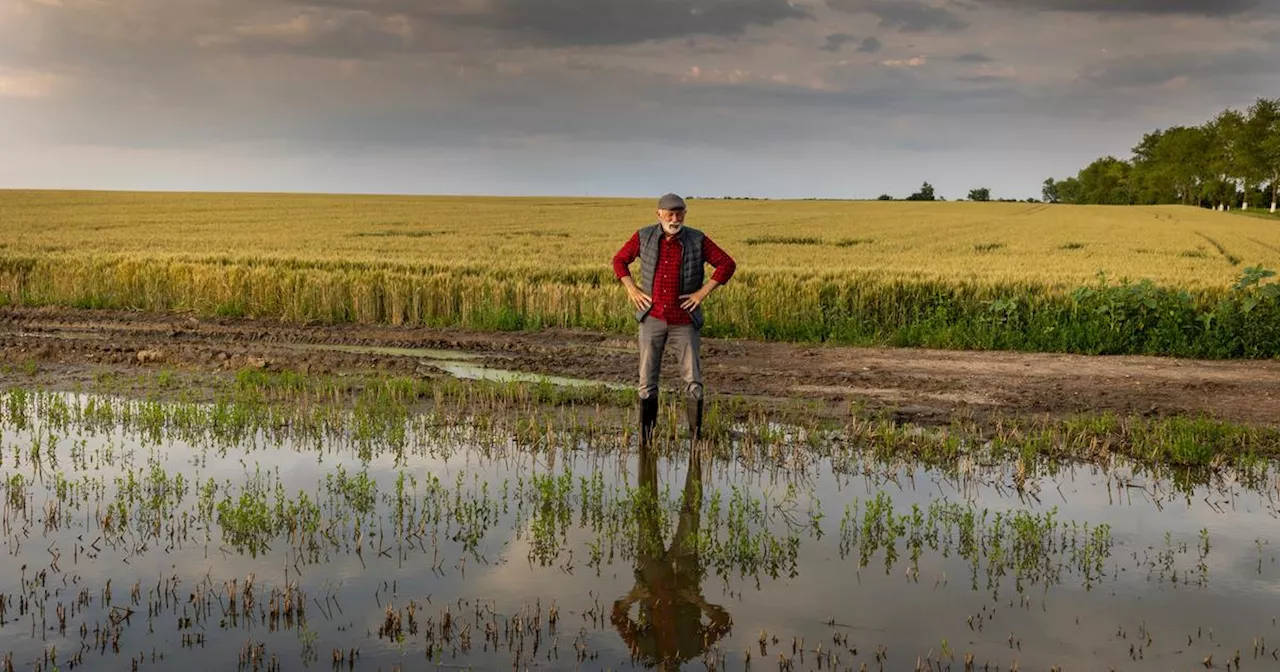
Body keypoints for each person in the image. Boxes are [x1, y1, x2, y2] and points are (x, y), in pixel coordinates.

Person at [612, 193, 736, 446]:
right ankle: (646, 441)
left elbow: (727, 264)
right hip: (652, 317)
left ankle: (696, 439)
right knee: (647, 380)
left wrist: (701, 293)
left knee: (693, 380)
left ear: (685, 214)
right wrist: (632, 289)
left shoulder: (697, 239)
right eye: (669, 214)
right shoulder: (643, 236)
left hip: (684, 320)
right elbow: (619, 260)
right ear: (658, 214)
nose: (674, 218)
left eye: (679, 213)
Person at [611, 441, 731, 669]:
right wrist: (699, 601)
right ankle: (696, 444)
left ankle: (646, 445)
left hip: (650, 574)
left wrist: (634, 596)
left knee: (647, 508)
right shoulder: (692, 648)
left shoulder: (645, 651)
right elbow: (724, 623)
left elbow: (616, 616)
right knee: (690, 511)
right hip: (684, 571)